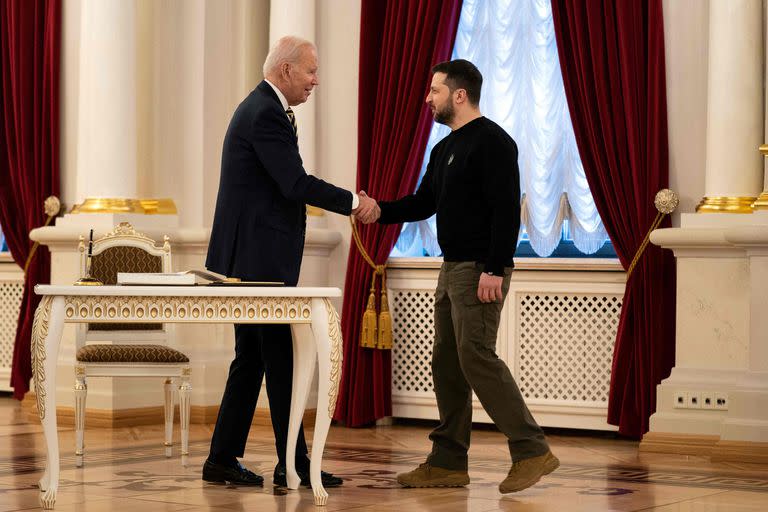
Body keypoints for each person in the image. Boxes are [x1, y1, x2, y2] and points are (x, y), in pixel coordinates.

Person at [361, 59, 558, 493]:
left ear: (459, 95)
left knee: (475, 357)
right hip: (451, 268)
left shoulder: (494, 143)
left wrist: (494, 268)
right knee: (447, 363)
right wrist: (380, 210)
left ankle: (531, 450)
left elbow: (506, 211)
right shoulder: (444, 148)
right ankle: (448, 461)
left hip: (479, 270)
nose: (427, 98)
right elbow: (424, 202)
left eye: (434, 91)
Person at [203, 35, 377, 487]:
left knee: (256, 359)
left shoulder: (265, 109)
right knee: (275, 357)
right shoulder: (265, 113)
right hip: (257, 263)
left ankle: (225, 459)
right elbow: (295, 184)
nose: (316, 80)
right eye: (311, 71)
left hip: (249, 258)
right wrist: (352, 202)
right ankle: (293, 465)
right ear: (286, 71)